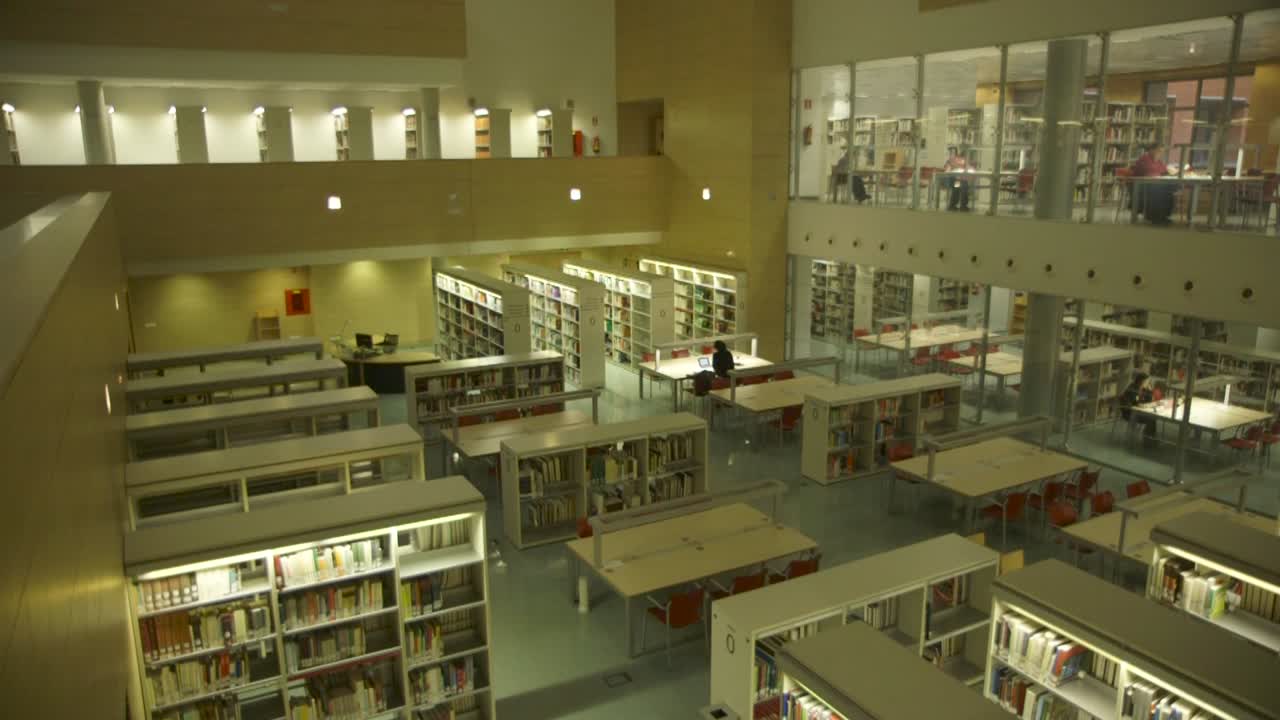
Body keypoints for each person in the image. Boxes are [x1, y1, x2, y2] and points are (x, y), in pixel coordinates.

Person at [1131, 144, 1175, 226]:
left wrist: (1170, 171)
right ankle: (1155, 217)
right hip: (1142, 186)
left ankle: (1163, 216)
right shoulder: (1145, 158)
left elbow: (1164, 170)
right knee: (1158, 190)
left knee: (1169, 191)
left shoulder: (1158, 160)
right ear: (1151, 150)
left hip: (1153, 183)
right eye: (1159, 151)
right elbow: (1149, 172)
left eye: (1162, 152)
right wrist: (1161, 172)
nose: (1161, 154)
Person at [1119, 372, 1158, 446]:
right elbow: (1131, 403)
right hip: (1129, 413)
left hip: (1138, 412)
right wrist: (1139, 405)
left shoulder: (1143, 389)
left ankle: (1150, 440)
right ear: (1141, 381)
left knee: (1153, 418)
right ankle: (1148, 441)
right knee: (1150, 420)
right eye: (1147, 381)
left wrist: (1150, 391)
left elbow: (1148, 401)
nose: (1148, 383)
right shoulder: (1132, 388)